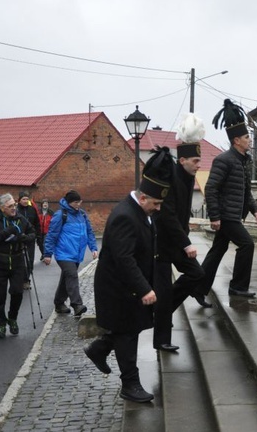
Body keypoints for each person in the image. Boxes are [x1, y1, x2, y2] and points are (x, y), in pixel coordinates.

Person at [84, 148, 173, 403]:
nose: (157, 209)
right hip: (118, 289)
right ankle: (129, 385)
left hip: (128, 287)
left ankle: (98, 349)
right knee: (127, 333)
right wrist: (144, 288)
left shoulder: (141, 212)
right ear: (143, 197)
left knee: (128, 329)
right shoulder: (125, 216)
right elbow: (124, 259)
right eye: (156, 204)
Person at [196, 99, 257, 301]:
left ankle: (199, 288)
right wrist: (215, 217)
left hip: (233, 214)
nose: (249, 140)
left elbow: (246, 190)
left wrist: (255, 209)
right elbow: (211, 188)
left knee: (217, 250)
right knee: (247, 244)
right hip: (227, 216)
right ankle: (237, 287)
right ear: (236, 141)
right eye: (246, 137)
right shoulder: (223, 160)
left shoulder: (244, 160)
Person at [153, 114, 207, 352]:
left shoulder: (187, 176)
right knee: (164, 292)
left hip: (176, 241)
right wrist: (186, 244)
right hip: (163, 244)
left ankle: (160, 312)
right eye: (195, 161)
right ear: (182, 159)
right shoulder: (172, 176)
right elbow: (167, 215)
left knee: (196, 274)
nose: (199, 165)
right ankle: (162, 335)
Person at [0, 193, 36, 339]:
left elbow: (33, 233)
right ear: (1, 208)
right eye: (10, 206)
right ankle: (0, 324)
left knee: (17, 291)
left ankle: (12, 318)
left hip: (18, 260)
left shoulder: (20, 218)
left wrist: (23, 237)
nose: (14, 208)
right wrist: (7, 232)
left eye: (14, 205)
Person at [42, 190, 98, 317]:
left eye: (79, 202)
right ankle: (77, 304)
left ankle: (59, 303)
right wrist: (47, 254)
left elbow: (89, 232)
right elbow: (52, 235)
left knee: (66, 278)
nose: (78, 205)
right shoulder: (61, 215)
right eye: (75, 202)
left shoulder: (82, 215)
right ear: (69, 202)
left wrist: (93, 248)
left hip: (77, 254)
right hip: (63, 253)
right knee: (72, 275)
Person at [17, 191, 42, 290]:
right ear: (19, 200)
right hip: (19, 238)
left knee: (30, 260)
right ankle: (21, 280)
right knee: (21, 260)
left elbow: (37, 223)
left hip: (30, 238)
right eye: (23, 199)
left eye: (27, 199)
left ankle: (26, 279)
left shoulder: (32, 210)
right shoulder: (16, 210)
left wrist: (38, 234)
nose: (25, 201)